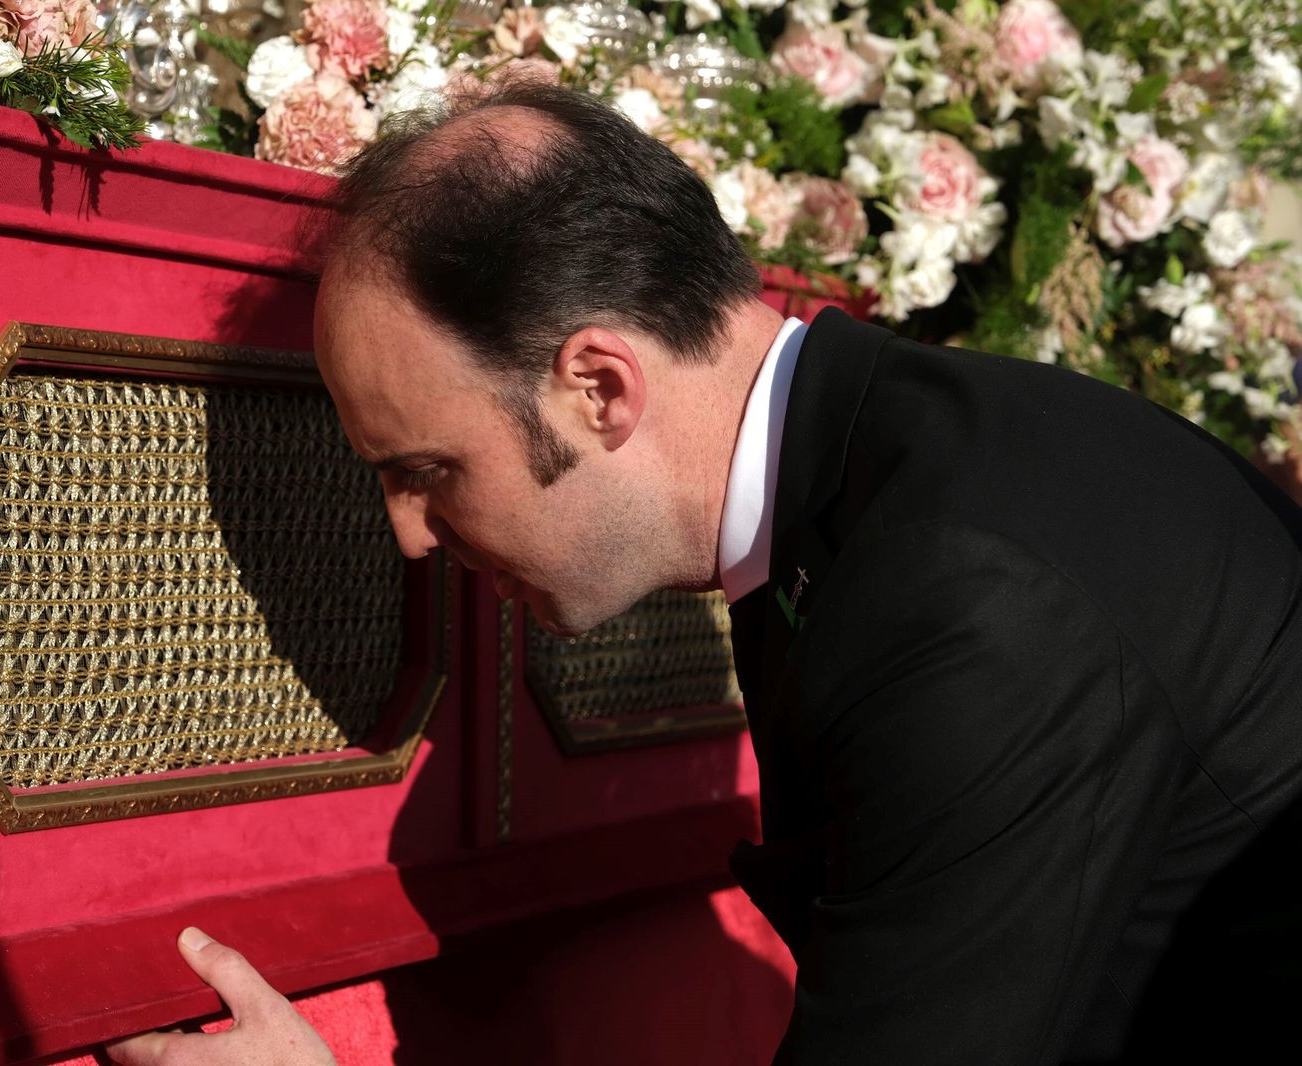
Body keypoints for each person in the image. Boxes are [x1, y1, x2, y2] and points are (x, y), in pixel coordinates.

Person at [109, 84, 1302, 1065]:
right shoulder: (882, 468)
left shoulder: (965, 598)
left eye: (427, 470)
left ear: (598, 387)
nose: (411, 536)